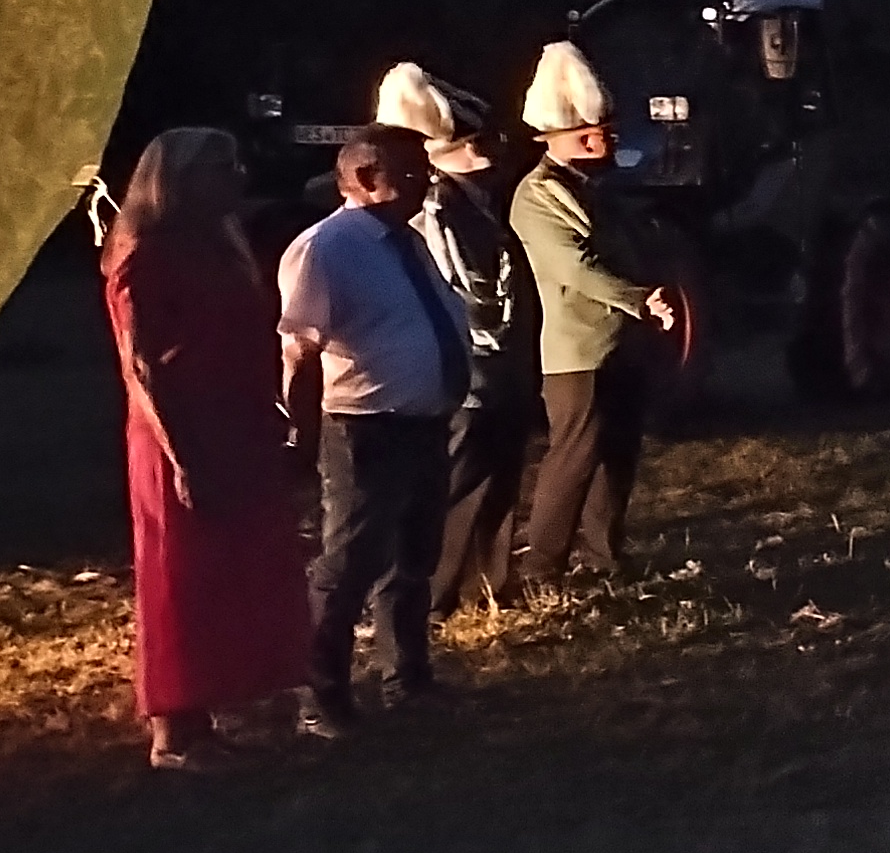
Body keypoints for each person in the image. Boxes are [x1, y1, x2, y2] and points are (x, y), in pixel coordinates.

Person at [105, 127, 308, 768]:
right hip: (183, 431)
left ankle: (210, 709)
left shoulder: (220, 245)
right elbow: (142, 367)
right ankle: (172, 729)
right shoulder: (145, 257)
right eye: (222, 167)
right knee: (179, 572)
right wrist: (181, 456)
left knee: (228, 567)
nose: (238, 177)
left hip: (236, 424)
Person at [275, 124, 471, 736]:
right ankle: (320, 695)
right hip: (365, 428)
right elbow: (300, 349)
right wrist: (298, 433)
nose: (425, 183)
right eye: (411, 172)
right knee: (350, 563)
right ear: (363, 177)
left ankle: (407, 677)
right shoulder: (326, 248)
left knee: (413, 557)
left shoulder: (407, 241)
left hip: (424, 420)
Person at [512, 42, 680, 586]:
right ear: (560, 137)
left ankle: (603, 557)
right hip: (576, 352)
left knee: (618, 455)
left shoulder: (597, 189)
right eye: (593, 133)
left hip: (619, 345)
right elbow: (574, 266)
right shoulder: (537, 196)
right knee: (574, 460)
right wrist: (639, 298)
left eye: (606, 131)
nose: (606, 141)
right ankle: (543, 567)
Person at [380, 64, 536, 617]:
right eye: (477, 143)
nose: (490, 151)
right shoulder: (438, 211)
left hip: (497, 363)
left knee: (498, 475)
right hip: (469, 365)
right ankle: (432, 592)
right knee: (457, 480)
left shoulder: (475, 201)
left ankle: (488, 585)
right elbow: (456, 289)